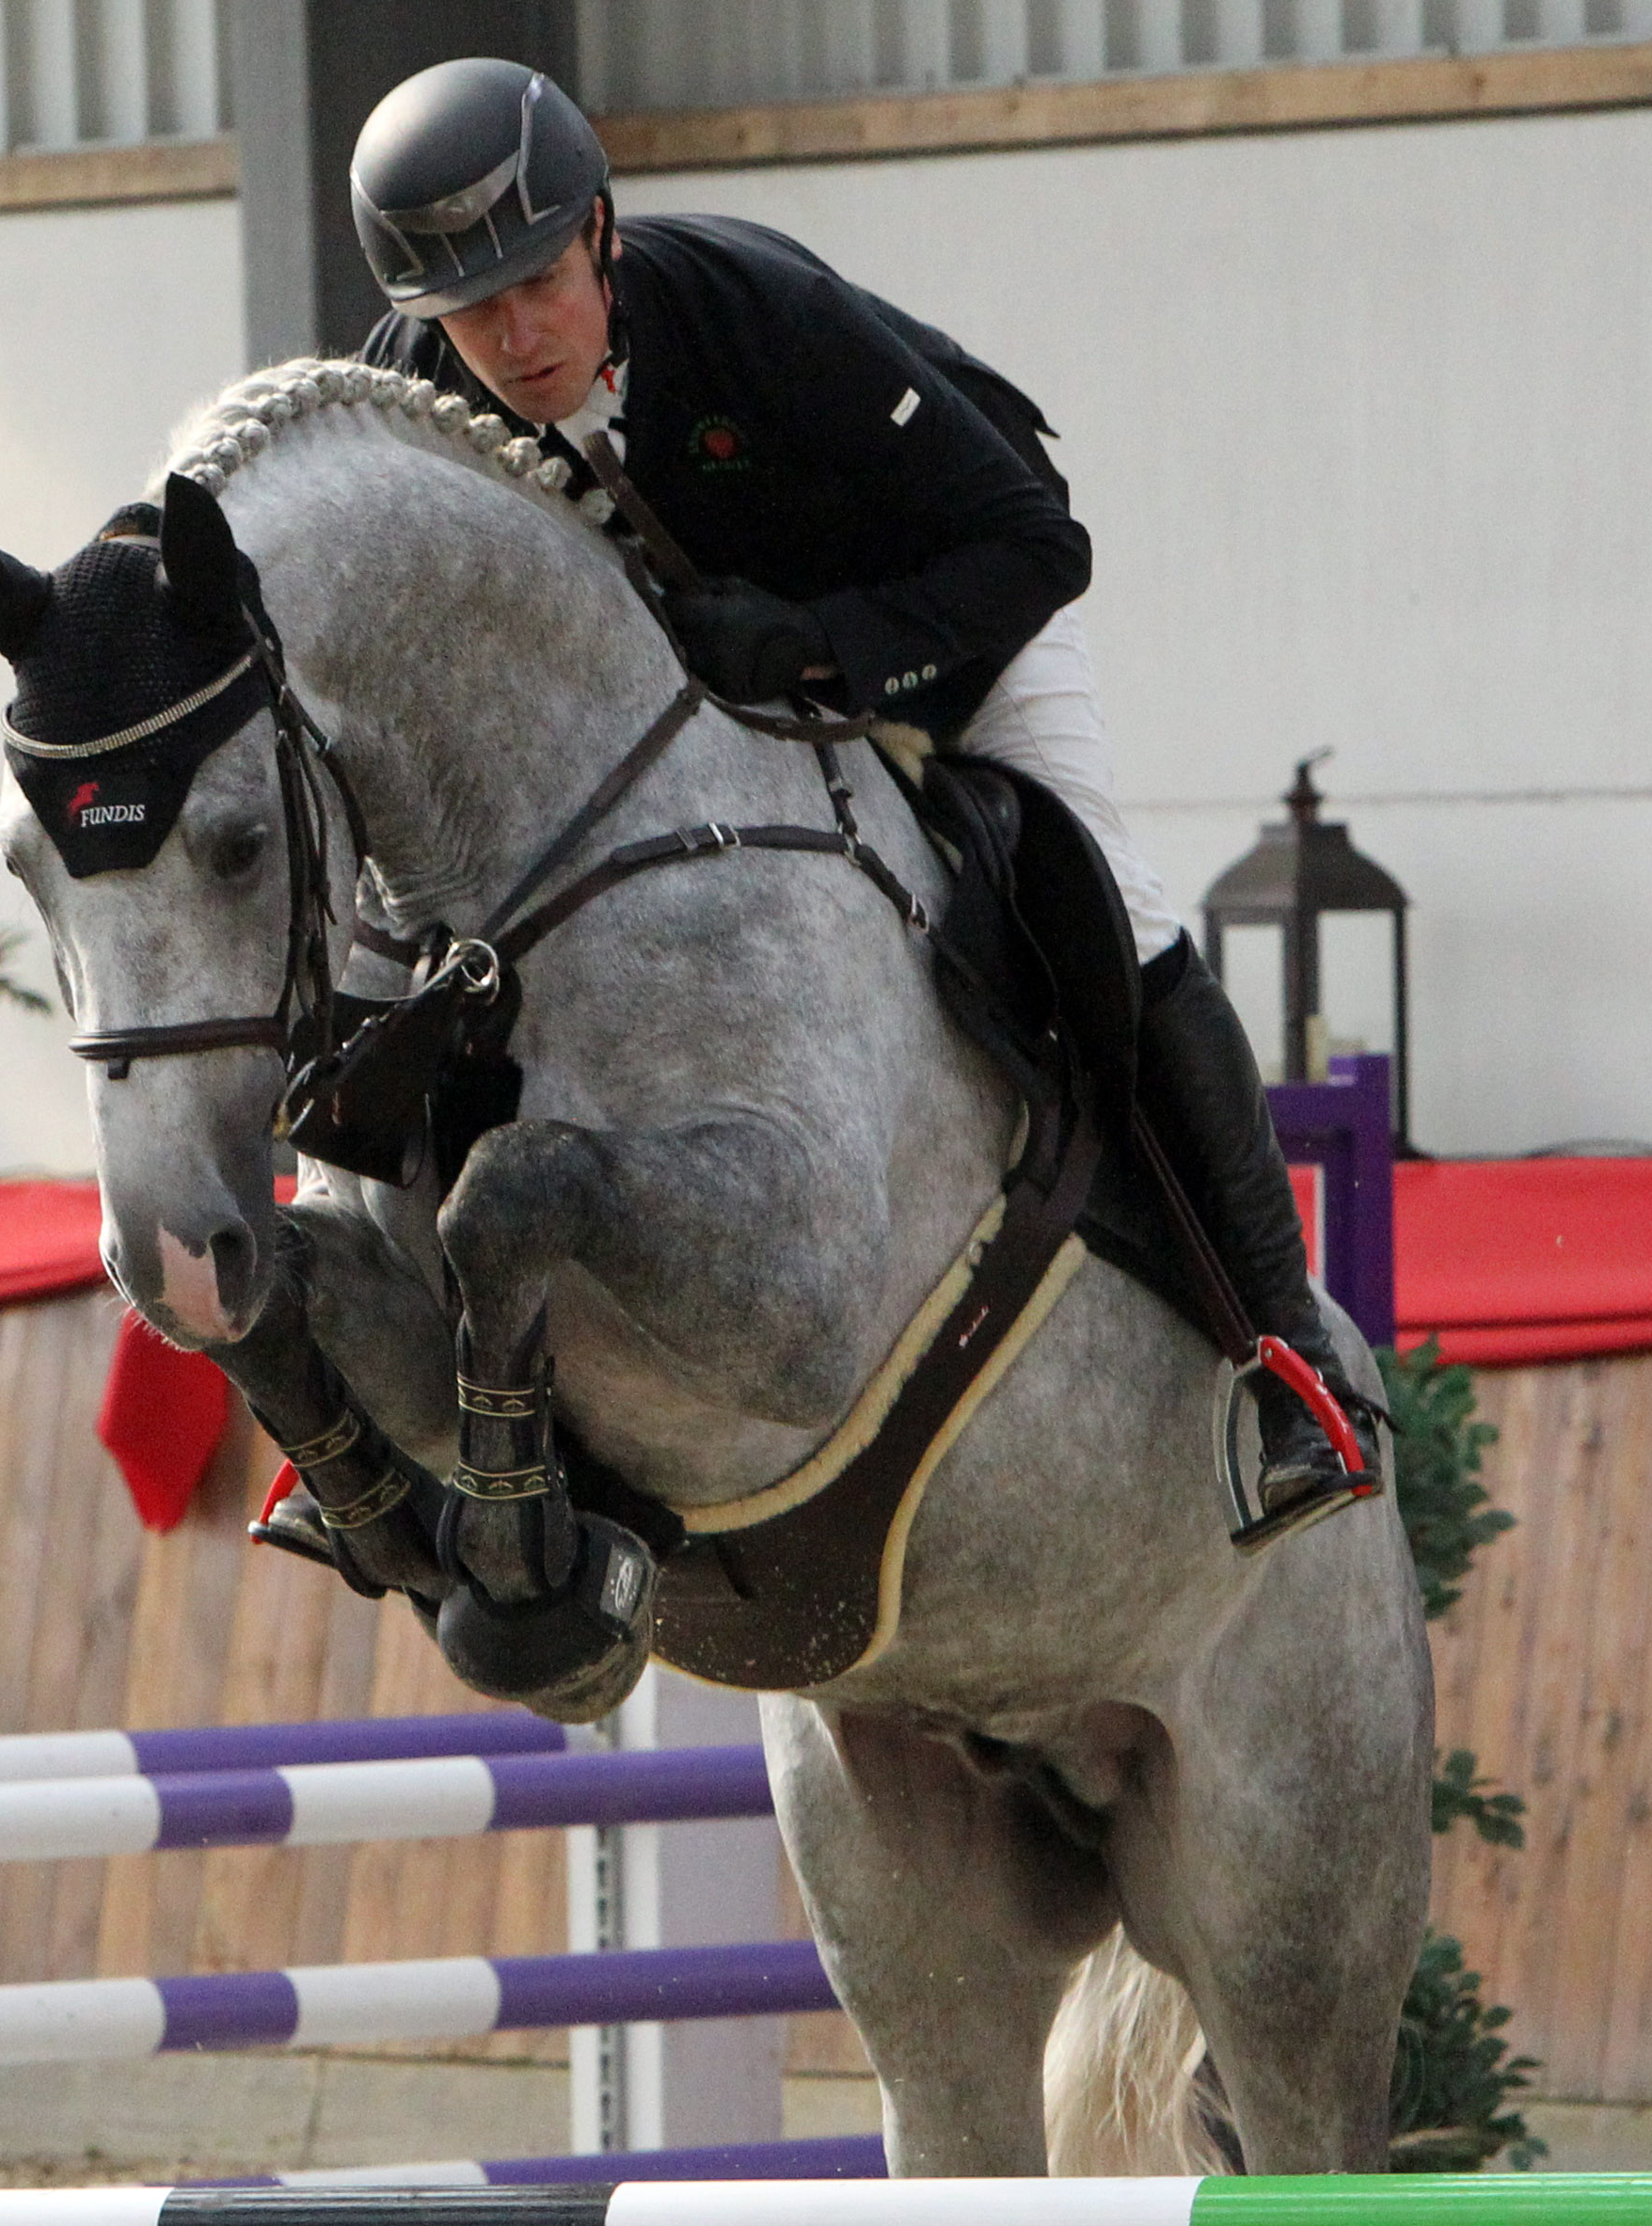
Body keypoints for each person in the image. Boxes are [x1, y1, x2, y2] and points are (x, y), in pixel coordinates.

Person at [346, 56, 1374, 1553]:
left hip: (956, 621)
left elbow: (1038, 546)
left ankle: (1289, 1364)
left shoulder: (758, 315)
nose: (514, 339)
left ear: (605, 237)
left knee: (1108, 906)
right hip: (717, 690)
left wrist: (831, 642)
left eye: (541, 286)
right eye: (471, 313)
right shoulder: (416, 386)